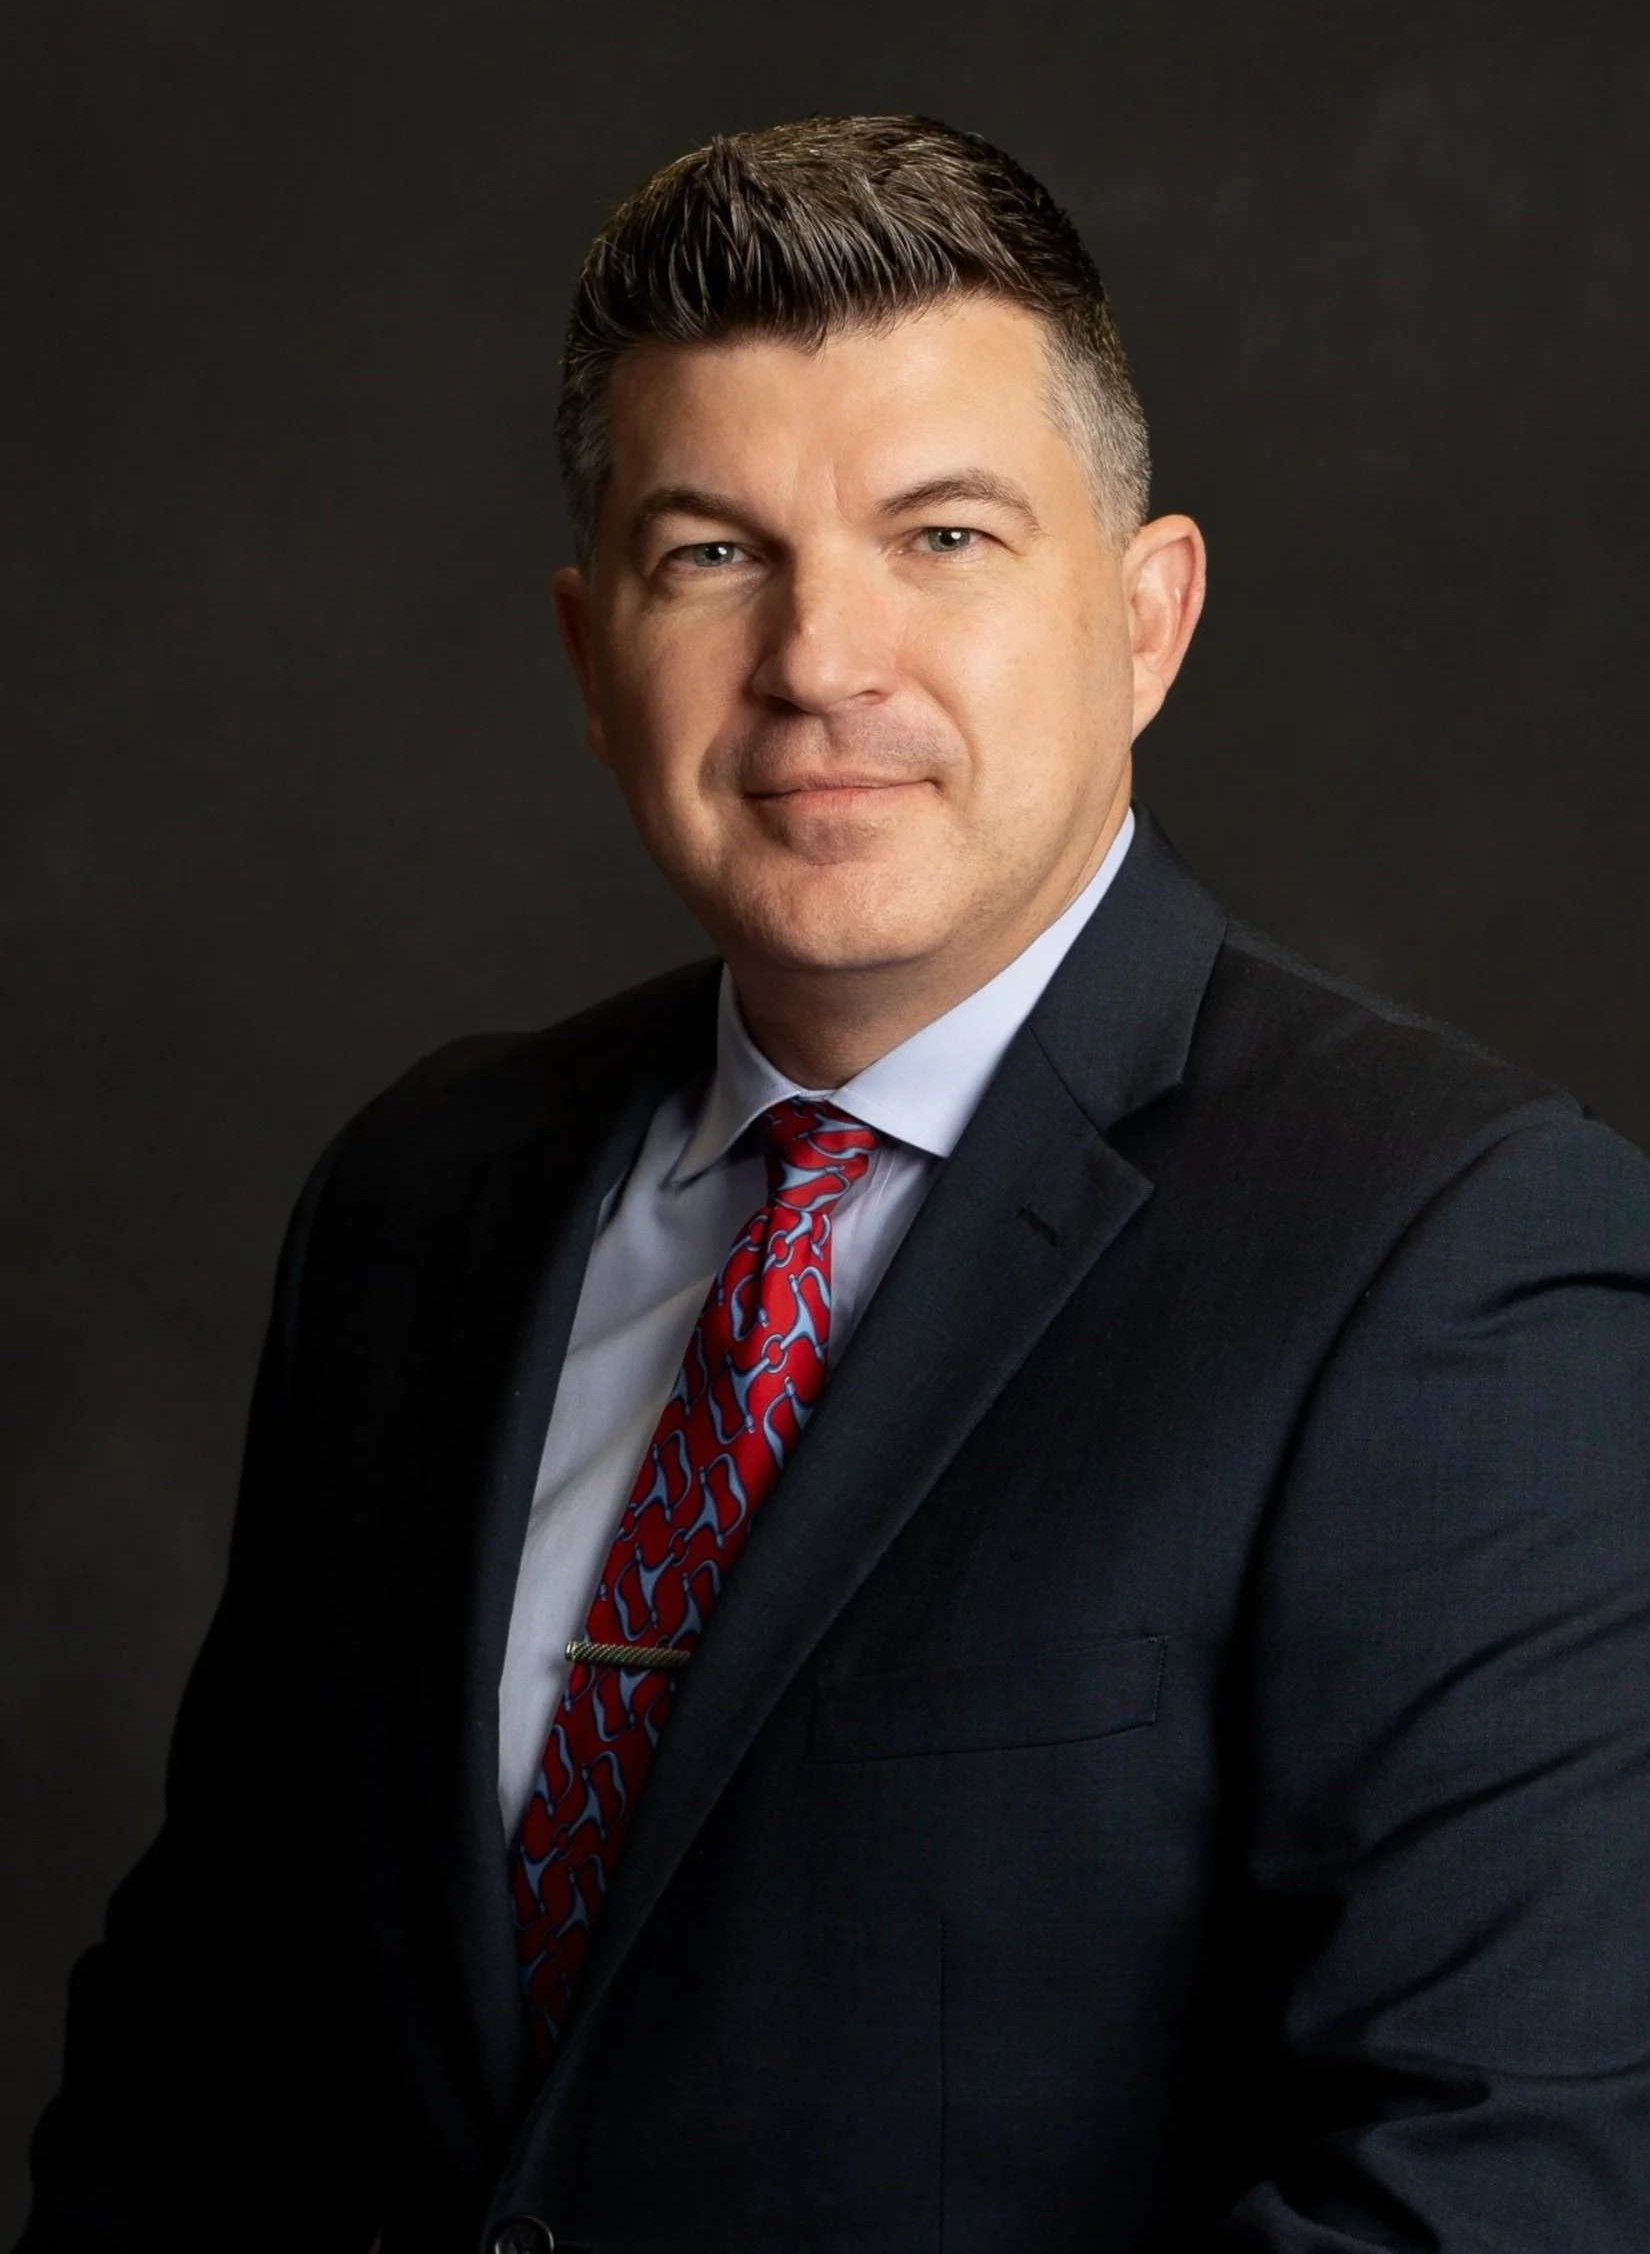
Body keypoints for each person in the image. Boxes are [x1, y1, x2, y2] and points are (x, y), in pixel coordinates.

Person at [19, 115, 1650, 2254]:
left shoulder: (1452, 1253)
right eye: (713, 554)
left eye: (943, 537)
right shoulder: (421, 1204)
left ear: (1146, 621)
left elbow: (1496, 2182)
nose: (818, 661)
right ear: (589, 652)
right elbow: (196, 2061)